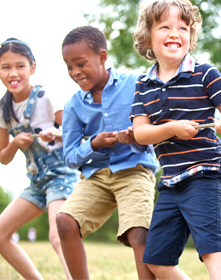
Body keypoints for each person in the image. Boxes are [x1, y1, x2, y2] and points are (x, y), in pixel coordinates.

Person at [130, 0, 221, 279]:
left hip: (206, 174)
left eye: (182, 28)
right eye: (165, 27)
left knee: (211, 249)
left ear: (190, 38)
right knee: (157, 261)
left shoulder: (205, 73)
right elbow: (141, 133)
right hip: (170, 182)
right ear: (148, 38)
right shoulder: (143, 86)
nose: (175, 33)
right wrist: (172, 129)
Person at [55, 26, 159, 280]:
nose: (75, 72)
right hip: (97, 176)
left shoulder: (136, 84)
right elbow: (69, 156)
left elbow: (157, 126)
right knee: (65, 221)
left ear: (102, 57)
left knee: (138, 232)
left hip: (135, 169)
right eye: (69, 67)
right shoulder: (73, 105)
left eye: (80, 63)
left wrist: (137, 134)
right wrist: (94, 143)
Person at [0, 38, 79, 280]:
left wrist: (55, 133)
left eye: (20, 66)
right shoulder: (3, 110)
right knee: (0, 234)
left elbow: (76, 134)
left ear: (32, 68)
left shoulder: (45, 97)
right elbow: (3, 158)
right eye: (5, 67)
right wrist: (14, 143)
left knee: (58, 234)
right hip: (36, 182)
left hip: (61, 175)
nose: (13, 73)